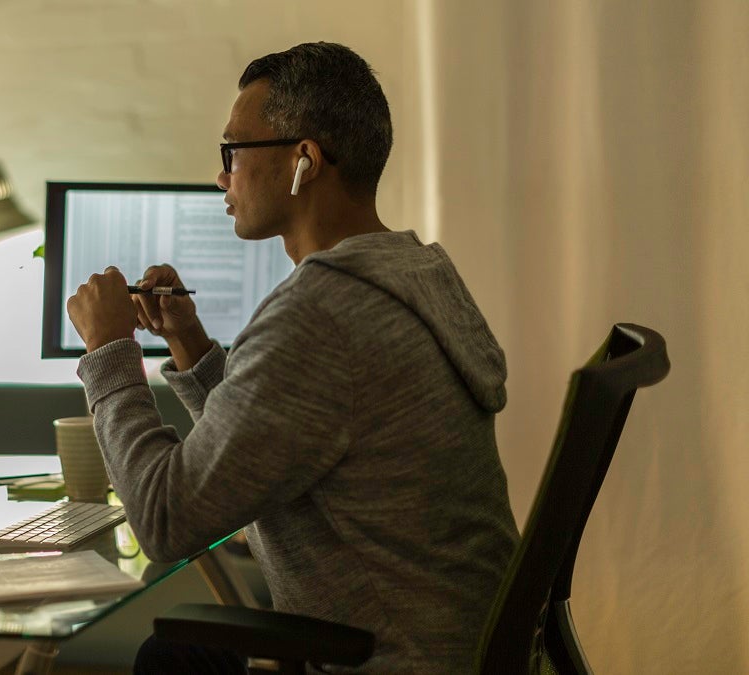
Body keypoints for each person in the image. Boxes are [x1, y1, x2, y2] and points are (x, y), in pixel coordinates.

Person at [65, 42, 518, 673]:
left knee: (167, 658)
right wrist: (190, 345)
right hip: (458, 644)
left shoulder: (320, 313)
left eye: (233, 152)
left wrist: (110, 351)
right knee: (181, 651)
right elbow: (291, 423)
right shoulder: (415, 271)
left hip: (389, 658)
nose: (221, 176)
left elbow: (164, 519)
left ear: (303, 160)